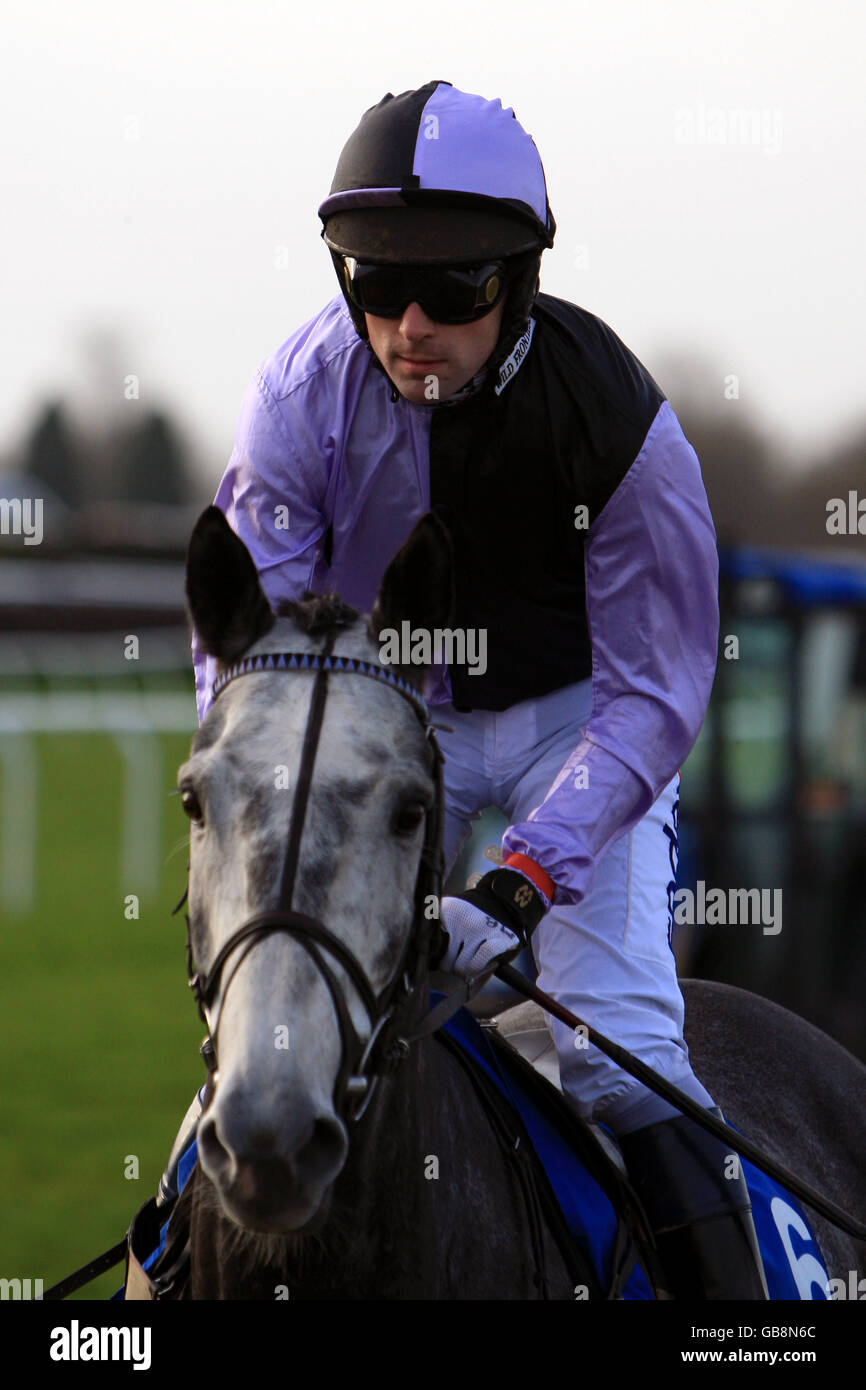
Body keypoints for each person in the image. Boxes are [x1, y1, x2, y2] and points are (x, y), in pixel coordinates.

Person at [184, 79, 768, 1300]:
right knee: (276, 1016)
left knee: (619, 1055)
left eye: (452, 293)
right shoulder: (299, 396)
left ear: (521, 281)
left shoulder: (617, 425)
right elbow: (253, 669)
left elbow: (655, 698)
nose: (408, 326)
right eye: (373, 284)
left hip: (579, 723)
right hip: (398, 722)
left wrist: (524, 872)